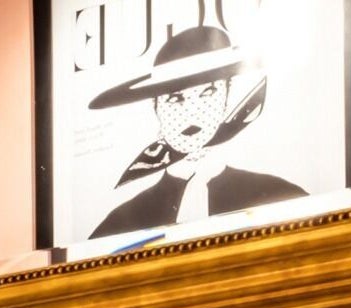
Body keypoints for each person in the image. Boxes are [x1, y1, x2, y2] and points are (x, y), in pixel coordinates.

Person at [89, 23, 309, 237]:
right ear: (156, 107)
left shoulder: (283, 198)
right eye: (176, 98)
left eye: (208, 93)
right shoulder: (117, 228)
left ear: (226, 98)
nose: (192, 112)